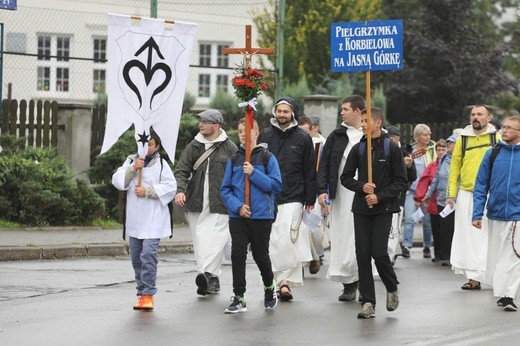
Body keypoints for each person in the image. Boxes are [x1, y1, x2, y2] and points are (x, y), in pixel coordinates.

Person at [341, 108, 408, 319]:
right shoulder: (358, 148)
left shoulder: (392, 148)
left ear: (378, 123)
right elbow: (345, 177)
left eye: (365, 120)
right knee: (362, 254)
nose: (361, 124)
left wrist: (379, 195)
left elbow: (402, 182)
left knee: (378, 253)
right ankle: (368, 301)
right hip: (361, 208)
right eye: (360, 121)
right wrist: (362, 187)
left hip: (384, 208)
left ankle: (392, 286)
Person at [258, 96, 317, 301]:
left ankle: (285, 283)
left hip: (294, 195)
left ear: (293, 114)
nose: (282, 115)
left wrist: (310, 198)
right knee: (273, 240)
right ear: (274, 112)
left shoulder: (303, 137)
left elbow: (310, 170)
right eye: (279, 111)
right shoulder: (265, 135)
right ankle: (275, 280)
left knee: (288, 239)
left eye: (286, 111)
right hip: (269, 195)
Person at [220, 118, 282, 313]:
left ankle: (269, 288)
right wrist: (238, 207)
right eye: (240, 131)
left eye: (247, 130)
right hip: (239, 216)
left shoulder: (267, 157)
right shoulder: (234, 159)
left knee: (260, 255)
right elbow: (225, 189)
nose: (244, 134)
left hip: (262, 215)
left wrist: (254, 172)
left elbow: (275, 186)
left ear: (256, 133)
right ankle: (239, 296)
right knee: (237, 254)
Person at [174, 109, 238, 296]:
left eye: (205, 121)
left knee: (217, 240)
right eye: (200, 121)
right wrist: (179, 190)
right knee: (201, 242)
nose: (200, 124)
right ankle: (211, 279)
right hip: (196, 201)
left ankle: (206, 273)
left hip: (221, 203)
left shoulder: (230, 148)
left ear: (216, 125)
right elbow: (181, 170)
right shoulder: (193, 146)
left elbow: (238, 175)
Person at [112, 132, 177, 311]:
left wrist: (148, 191)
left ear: (156, 147)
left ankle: (148, 293)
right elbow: (118, 181)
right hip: (136, 220)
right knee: (136, 259)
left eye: (150, 144)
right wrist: (133, 169)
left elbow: (171, 188)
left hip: (153, 220)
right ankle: (140, 293)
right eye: (144, 144)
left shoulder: (162, 165)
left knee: (148, 255)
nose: (147, 148)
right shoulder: (131, 161)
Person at [317, 95, 365, 301]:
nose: (342, 113)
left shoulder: (373, 135)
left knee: (362, 237)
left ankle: (364, 281)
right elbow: (325, 164)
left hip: (365, 193)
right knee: (343, 237)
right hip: (341, 195)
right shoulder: (336, 136)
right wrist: (322, 190)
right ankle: (348, 283)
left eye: (345, 109)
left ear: (358, 111)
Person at [447, 105, 499, 290]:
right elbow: (454, 168)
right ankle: (474, 277)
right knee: (469, 238)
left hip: (491, 194)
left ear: (489, 118)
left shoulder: (497, 138)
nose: (475, 117)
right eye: (473, 114)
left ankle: (493, 276)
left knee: (490, 236)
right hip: (467, 193)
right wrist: (450, 194)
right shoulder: (463, 139)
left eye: (480, 114)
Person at [472, 115, 520, 311]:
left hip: (517, 215)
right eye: (504, 127)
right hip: (496, 213)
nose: (504, 130)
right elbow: (480, 185)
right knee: (498, 257)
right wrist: (476, 214)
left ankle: (509, 294)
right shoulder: (492, 154)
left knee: (514, 256)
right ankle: (502, 292)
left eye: (510, 128)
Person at [401, 124, 436, 258]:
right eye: (424, 134)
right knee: (410, 219)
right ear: (417, 136)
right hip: (412, 191)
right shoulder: (411, 152)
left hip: (427, 192)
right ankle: (406, 246)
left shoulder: (432, 151)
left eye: (429, 134)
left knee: (427, 221)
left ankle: (427, 246)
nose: (427, 137)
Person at [424, 134, 459, 266]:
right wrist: (429, 194)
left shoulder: (462, 159)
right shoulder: (444, 158)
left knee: (454, 229)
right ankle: (446, 256)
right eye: (448, 142)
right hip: (441, 200)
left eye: (451, 142)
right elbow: (437, 177)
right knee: (444, 229)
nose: (448, 145)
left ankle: (454, 256)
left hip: (455, 201)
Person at [299, 114, 327, 274]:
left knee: (313, 229)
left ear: (312, 129)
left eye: (305, 131)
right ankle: (302, 263)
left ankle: (316, 256)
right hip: (298, 193)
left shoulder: (321, 146)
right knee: (300, 230)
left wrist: (325, 194)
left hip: (316, 194)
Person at [385, 125, 416, 264]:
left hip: (398, 198)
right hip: (383, 195)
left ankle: (390, 257)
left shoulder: (405, 152)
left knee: (395, 229)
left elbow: (412, 177)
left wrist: (408, 167)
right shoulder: (383, 149)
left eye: (394, 139)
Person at [414, 139, 447, 262]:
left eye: (443, 149)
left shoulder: (452, 164)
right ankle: (438, 254)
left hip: (448, 203)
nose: (441, 152)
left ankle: (446, 254)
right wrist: (419, 197)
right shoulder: (432, 166)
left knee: (447, 229)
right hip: (433, 203)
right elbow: (424, 181)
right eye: (438, 150)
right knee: (436, 229)